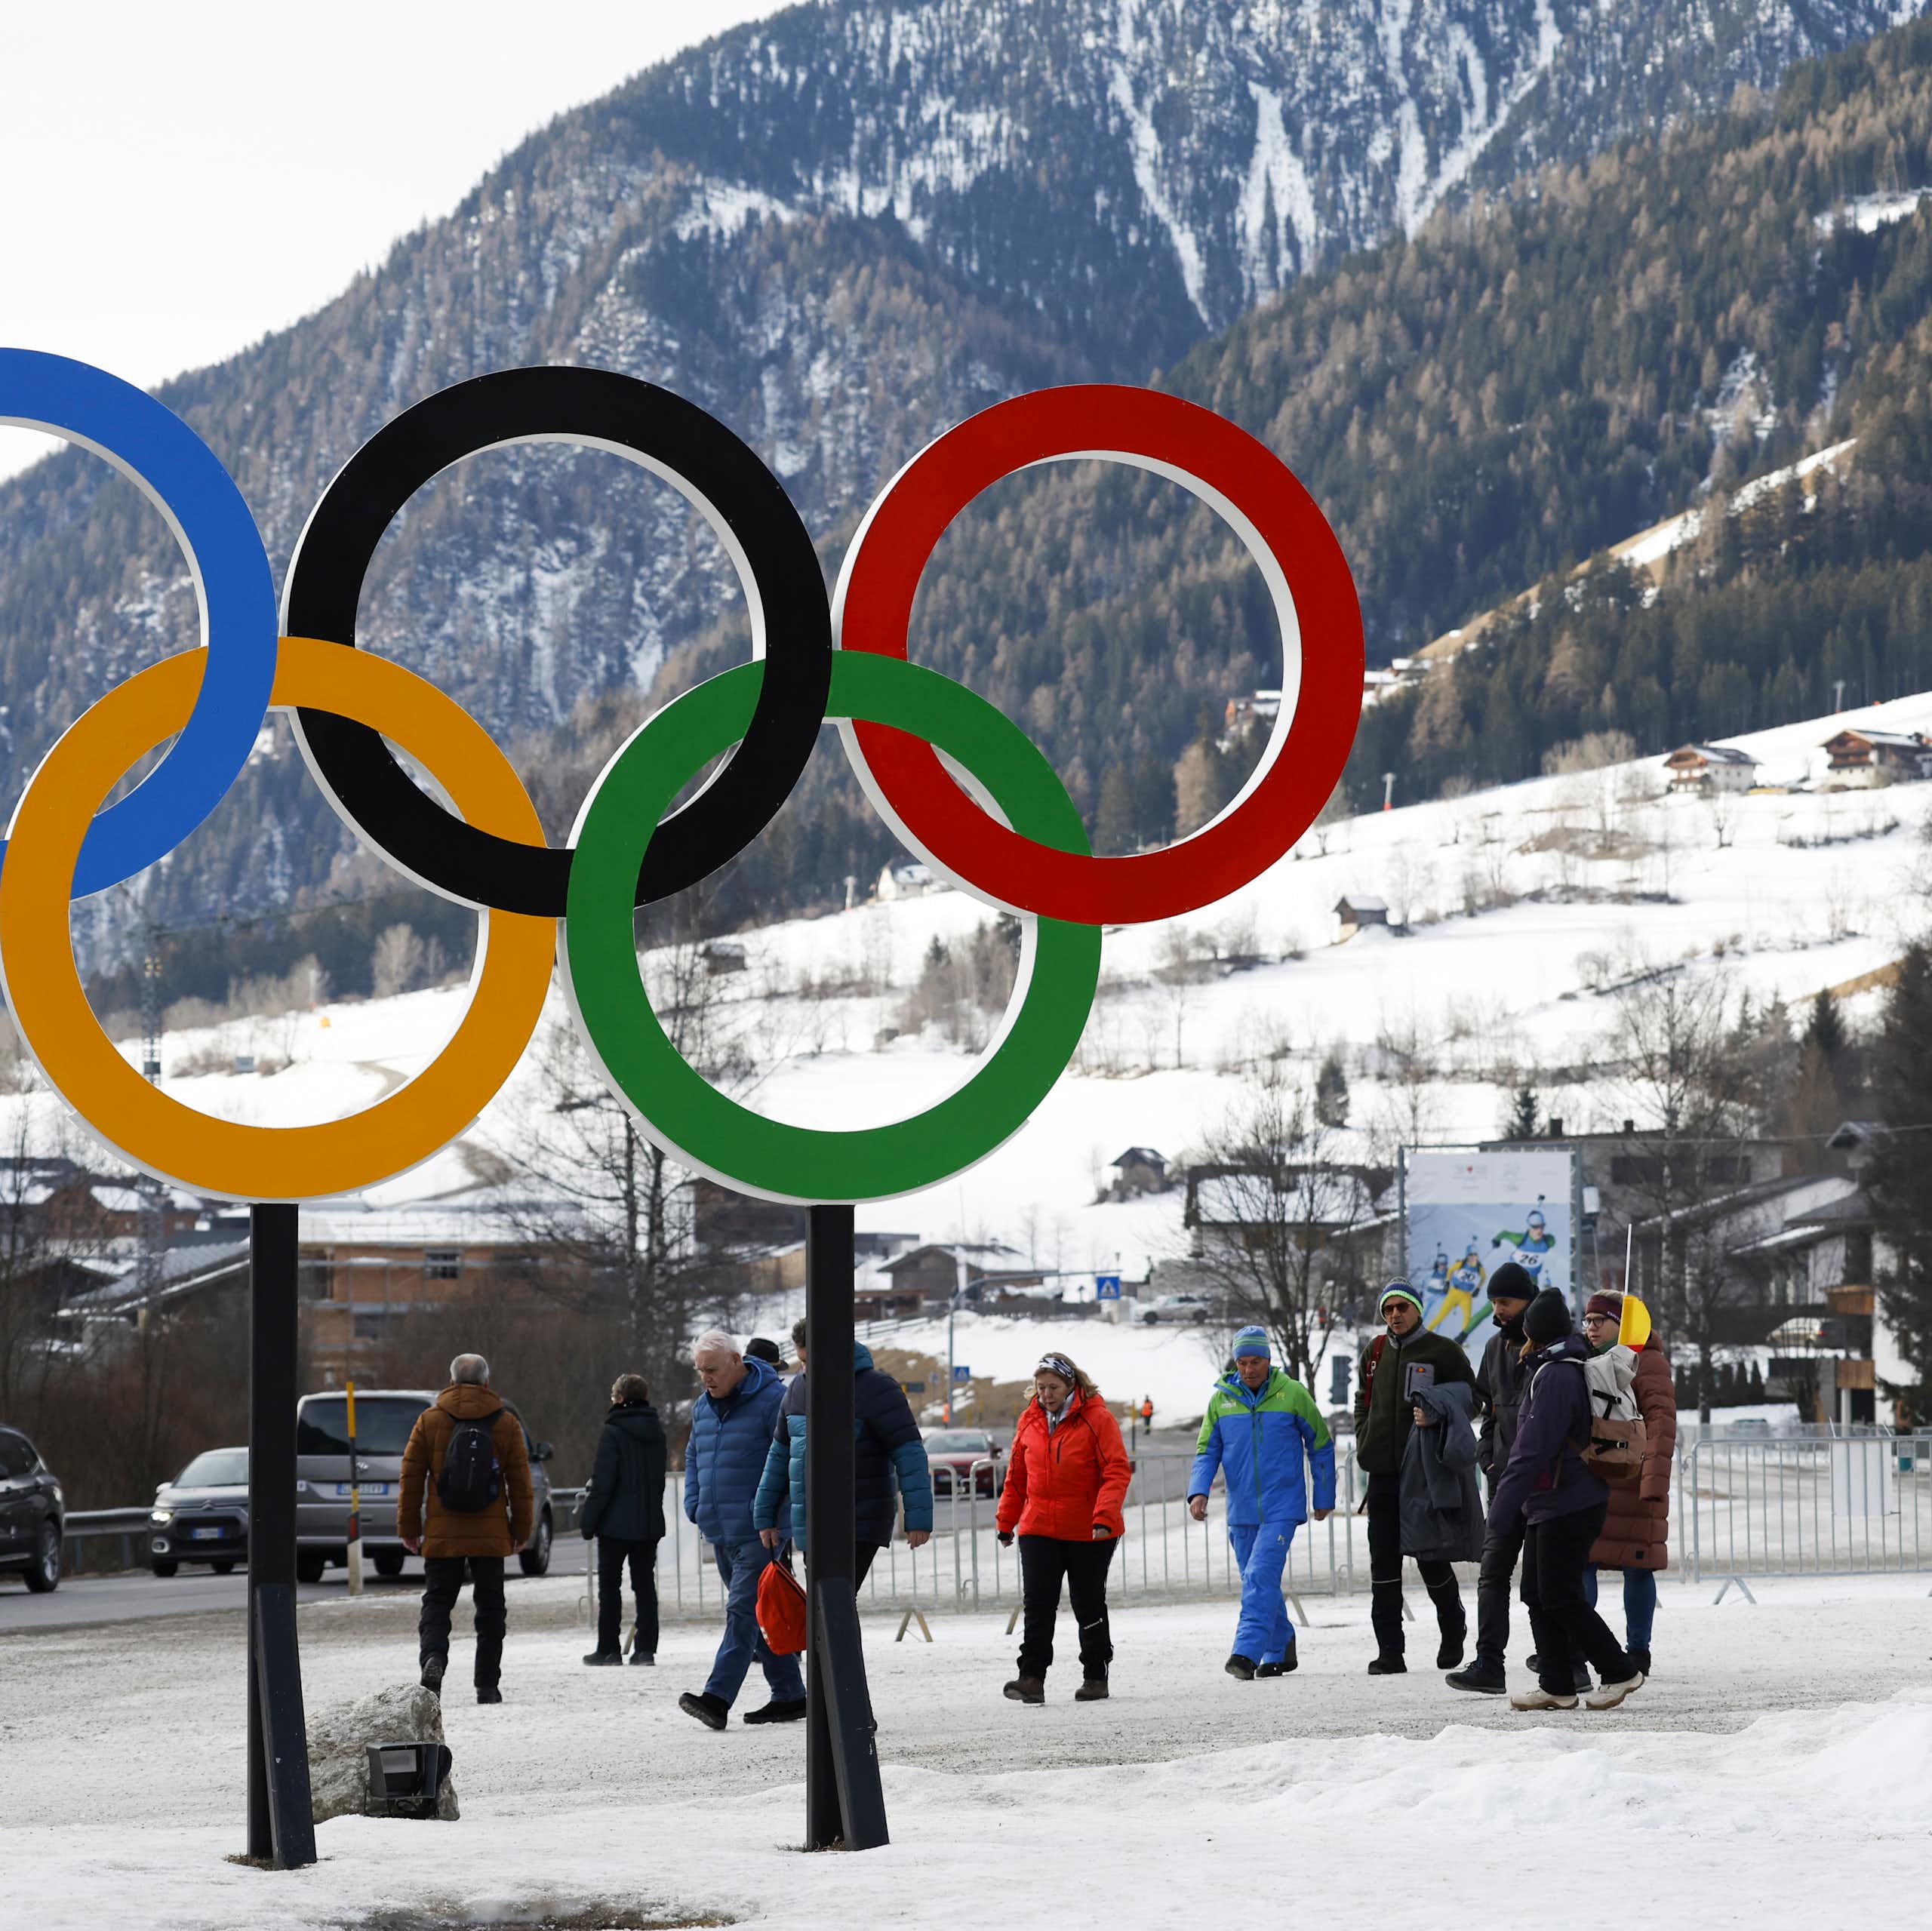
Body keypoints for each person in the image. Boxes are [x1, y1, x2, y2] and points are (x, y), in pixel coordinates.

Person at [1487, 1289, 1644, 1711]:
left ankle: (1619, 1669)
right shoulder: (1555, 1366)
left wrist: (1501, 1513)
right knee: (1537, 1593)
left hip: (1568, 1501)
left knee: (1559, 1595)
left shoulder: (1557, 1374)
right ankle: (1556, 1682)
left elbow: (1532, 1448)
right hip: (1549, 1500)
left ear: (1533, 1333)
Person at [1187, 1327, 1336, 1678]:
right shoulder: (1220, 1401)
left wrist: (1324, 1495)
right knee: (1259, 1581)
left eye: (1256, 1361)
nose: (1249, 1369)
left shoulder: (1293, 1394)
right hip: (1241, 1510)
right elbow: (1207, 1451)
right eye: (1243, 1362)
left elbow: (1321, 1445)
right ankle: (1282, 1644)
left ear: (1269, 1361)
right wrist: (1199, 1491)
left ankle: (1246, 1652)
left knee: (1258, 1576)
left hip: (1282, 1506)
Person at [678, 1330, 802, 1731]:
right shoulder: (702, 1407)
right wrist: (694, 1503)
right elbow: (694, 1455)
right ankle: (789, 1694)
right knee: (758, 1614)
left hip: (760, 1530)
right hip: (720, 1528)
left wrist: (770, 1515)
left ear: (736, 1361)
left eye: (712, 1370)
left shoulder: (772, 1401)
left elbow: (788, 1461)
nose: (706, 1379)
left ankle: (717, 1698)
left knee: (742, 1613)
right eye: (700, 1371)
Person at [753, 1317, 934, 1586]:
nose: (807, 1368)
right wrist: (764, 1516)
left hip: (860, 1519)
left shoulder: (878, 1388)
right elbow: (779, 1457)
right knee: (823, 1605)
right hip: (811, 1521)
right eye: (803, 1361)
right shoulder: (797, 1390)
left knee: (836, 1599)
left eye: (811, 1360)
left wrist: (918, 1518)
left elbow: (910, 1455)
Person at [397, 1352, 533, 1705]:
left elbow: (410, 1477)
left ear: (452, 1381)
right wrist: (522, 1529)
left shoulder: (429, 1420)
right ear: (487, 1383)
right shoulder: (506, 1424)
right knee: (490, 1609)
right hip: (490, 1536)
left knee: (438, 1603)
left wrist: (409, 1526)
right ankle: (487, 1684)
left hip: (443, 1534)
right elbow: (521, 1483)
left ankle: (433, 1661)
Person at [996, 1354, 1131, 1705]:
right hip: (1039, 1525)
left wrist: (1103, 1516)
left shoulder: (1097, 1418)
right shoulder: (1030, 1421)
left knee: (1087, 1602)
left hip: (1090, 1529)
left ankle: (1095, 1675)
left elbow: (1116, 1470)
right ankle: (1031, 1677)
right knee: (1038, 1603)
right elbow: (1016, 1477)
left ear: (1072, 1384)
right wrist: (1006, 1522)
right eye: (1041, 1388)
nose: (1046, 1394)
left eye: (1053, 1387)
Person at [1355, 1281, 1475, 1674]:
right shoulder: (1373, 1352)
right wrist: (1364, 1437)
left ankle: (1452, 1625)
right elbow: (1363, 1402)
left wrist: (1438, 1411)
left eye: (1402, 1307)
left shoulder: (1443, 1350)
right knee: (1383, 1562)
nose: (1394, 1315)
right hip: (1383, 1474)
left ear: (1418, 1310)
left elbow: (1471, 1398)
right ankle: (1390, 1650)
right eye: (1388, 1309)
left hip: (1423, 1472)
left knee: (1429, 1555)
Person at [1447, 1261, 1537, 1694]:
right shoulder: (1493, 1347)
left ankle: (1566, 1660)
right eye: (1495, 1302)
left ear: (1527, 1300)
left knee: (1543, 1581)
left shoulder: (1553, 1346)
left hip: (1543, 1482)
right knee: (1493, 1573)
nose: (1499, 1310)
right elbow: (1489, 1409)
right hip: (1502, 1479)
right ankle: (1489, 1665)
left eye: (1505, 1301)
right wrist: (1487, 1456)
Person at [1581, 1291, 1676, 1678]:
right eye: (1586, 1321)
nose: (1590, 1328)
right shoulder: (1584, 1361)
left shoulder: (1648, 1363)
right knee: (1581, 1562)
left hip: (1635, 1482)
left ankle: (1639, 1650)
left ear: (1623, 1324)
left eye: (1599, 1320)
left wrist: (1653, 1479)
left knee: (1638, 1568)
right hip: (1593, 1481)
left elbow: (1661, 1423)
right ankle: (1582, 1646)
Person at [580, 1373, 667, 1668]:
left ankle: (609, 1649)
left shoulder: (613, 1431)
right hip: (648, 1522)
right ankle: (645, 1650)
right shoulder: (657, 1431)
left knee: (610, 1587)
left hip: (615, 1525)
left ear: (619, 1398)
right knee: (644, 1586)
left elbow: (604, 1482)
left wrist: (588, 1521)